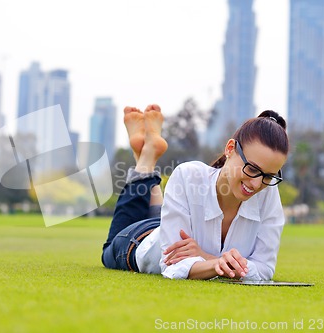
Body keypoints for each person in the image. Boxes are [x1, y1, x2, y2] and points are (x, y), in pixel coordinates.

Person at [101, 104, 289, 280]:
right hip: (140, 241)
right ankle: (147, 155)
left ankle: (145, 154)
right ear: (230, 149)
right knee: (108, 250)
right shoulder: (189, 175)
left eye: (268, 176)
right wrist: (220, 264)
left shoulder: (268, 192)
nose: (257, 184)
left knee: (160, 216)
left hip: (167, 225)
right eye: (252, 169)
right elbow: (173, 267)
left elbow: (265, 269)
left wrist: (205, 257)